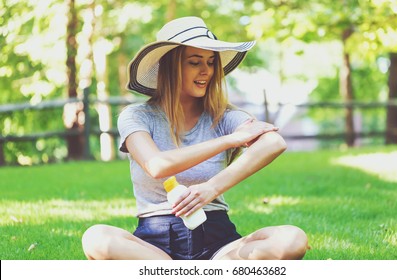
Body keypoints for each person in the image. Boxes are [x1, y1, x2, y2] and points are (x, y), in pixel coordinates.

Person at [82, 16, 308, 260]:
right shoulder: (137, 116)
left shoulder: (225, 118)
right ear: (170, 66)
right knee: (96, 237)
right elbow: (157, 165)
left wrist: (211, 188)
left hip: (219, 244)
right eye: (194, 62)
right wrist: (229, 141)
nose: (206, 71)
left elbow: (274, 142)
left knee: (292, 238)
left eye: (211, 62)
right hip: (155, 247)